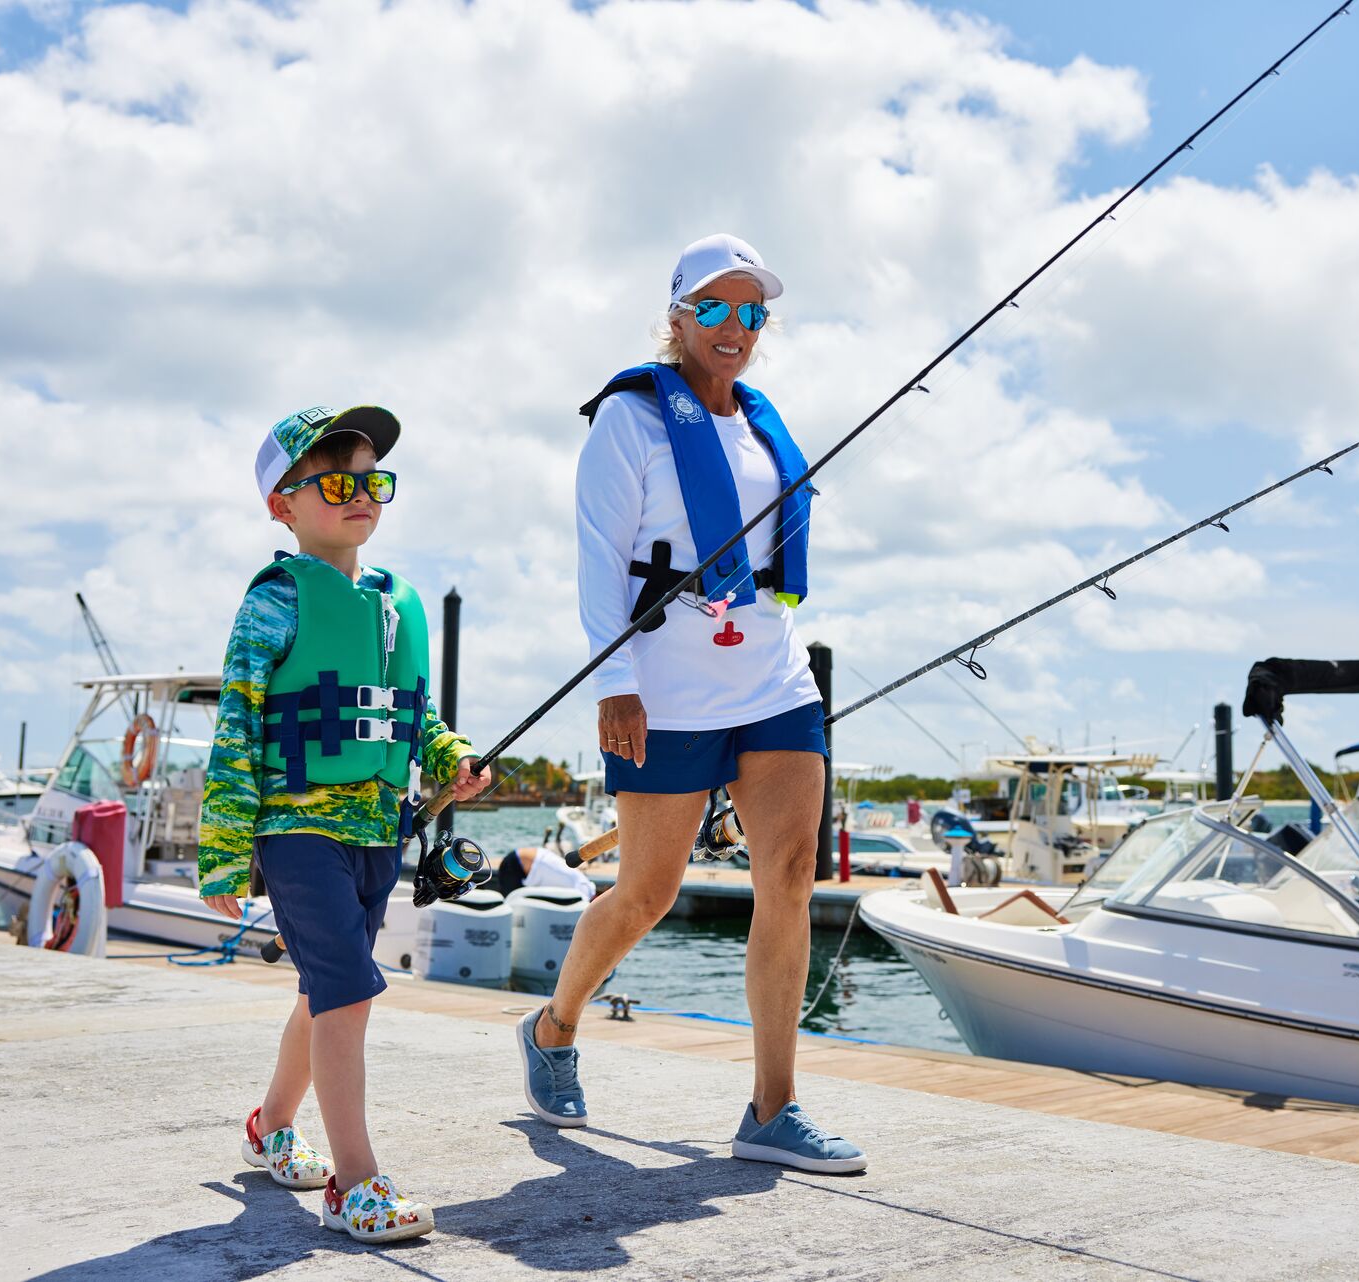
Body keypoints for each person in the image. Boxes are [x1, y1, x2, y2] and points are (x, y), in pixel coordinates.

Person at [514, 233, 866, 1173]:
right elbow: (599, 559)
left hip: (774, 682)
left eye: (752, 312)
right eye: (714, 307)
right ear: (675, 317)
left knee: (788, 873)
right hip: (663, 690)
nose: (734, 327)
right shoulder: (629, 422)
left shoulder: (759, 422)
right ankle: (554, 1027)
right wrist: (613, 685)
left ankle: (771, 1108)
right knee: (647, 894)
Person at [197, 405, 491, 1245]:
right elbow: (237, 729)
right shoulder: (274, 605)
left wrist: (450, 759)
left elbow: (416, 719)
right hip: (296, 832)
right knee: (351, 994)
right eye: (335, 480)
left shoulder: (394, 606)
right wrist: (223, 857)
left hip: (376, 833)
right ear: (281, 505)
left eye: (372, 480)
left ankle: (269, 1126)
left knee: (323, 991)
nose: (359, 493)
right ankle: (354, 1181)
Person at [494, 845, 596, 899]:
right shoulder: (583, 891)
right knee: (510, 904)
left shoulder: (582, 882)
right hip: (517, 864)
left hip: (526, 860)